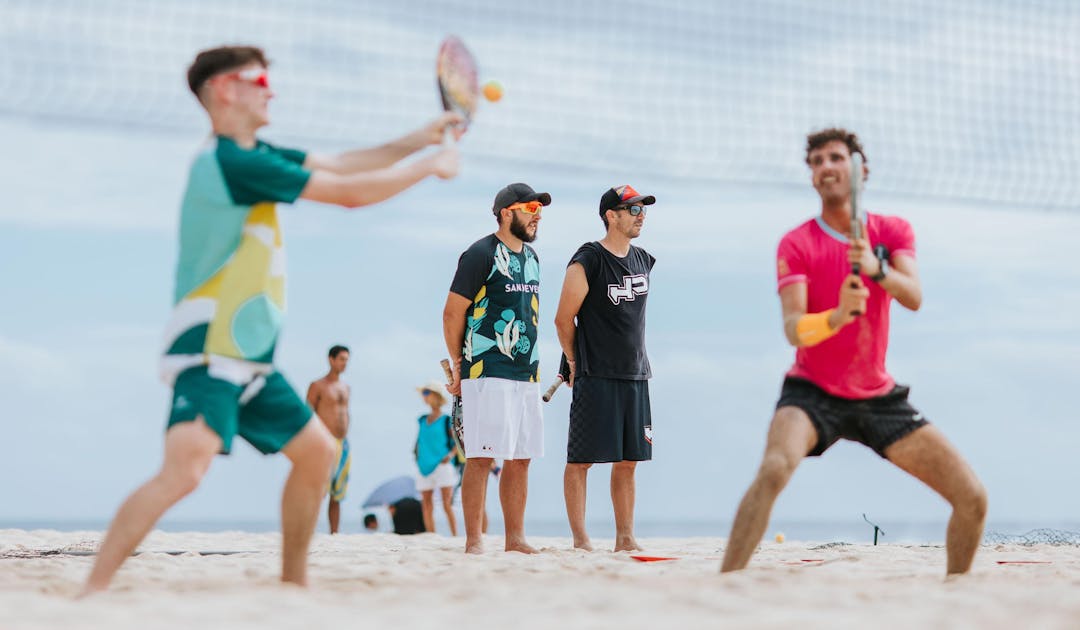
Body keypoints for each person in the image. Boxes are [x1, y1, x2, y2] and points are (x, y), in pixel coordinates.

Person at [80, 45, 460, 595]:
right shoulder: (234, 164)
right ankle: (90, 592)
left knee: (318, 453)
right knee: (183, 474)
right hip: (209, 352)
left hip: (249, 359)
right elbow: (350, 195)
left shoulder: (254, 154)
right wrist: (431, 167)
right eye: (258, 79)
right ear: (223, 90)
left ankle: (292, 586)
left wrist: (418, 140)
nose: (270, 90)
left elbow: (344, 164)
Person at [720, 128, 987, 575]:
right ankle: (725, 587)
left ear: (861, 170)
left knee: (973, 497)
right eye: (817, 161)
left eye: (836, 158)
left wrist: (876, 269)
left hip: (876, 395)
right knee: (773, 468)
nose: (826, 167)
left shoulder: (891, 231)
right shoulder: (797, 242)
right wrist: (838, 316)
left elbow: (914, 296)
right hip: (811, 392)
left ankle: (955, 595)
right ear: (811, 176)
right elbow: (793, 329)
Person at [442, 182, 548, 554]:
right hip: (486, 368)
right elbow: (453, 312)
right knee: (482, 456)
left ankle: (515, 538)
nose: (537, 214)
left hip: (526, 371)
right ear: (506, 212)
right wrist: (459, 365)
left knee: (521, 458)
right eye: (530, 207)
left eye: (540, 208)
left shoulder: (532, 258)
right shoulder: (479, 253)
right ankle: (473, 541)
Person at [554, 185, 657, 552]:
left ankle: (625, 538)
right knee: (581, 460)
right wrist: (573, 360)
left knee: (629, 461)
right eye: (631, 209)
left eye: (642, 208)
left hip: (636, 374)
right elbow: (564, 318)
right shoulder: (589, 258)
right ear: (610, 216)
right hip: (595, 374)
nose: (640, 214)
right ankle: (581, 540)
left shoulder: (644, 259)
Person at [307, 345, 352, 534]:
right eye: (341, 359)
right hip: (324, 441)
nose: (344, 363)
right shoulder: (318, 386)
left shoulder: (345, 387)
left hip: (344, 444)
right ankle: (308, 531)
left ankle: (335, 534)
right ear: (331, 360)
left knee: (338, 492)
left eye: (347, 360)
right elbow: (307, 414)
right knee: (320, 490)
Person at [414, 381, 460, 536]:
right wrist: (417, 456)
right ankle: (431, 535)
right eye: (424, 393)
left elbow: (458, 441)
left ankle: (455, 535)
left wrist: (450, 456)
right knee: (426, 503)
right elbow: (420, 441)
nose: (424, 396)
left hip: (442, 465)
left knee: (447, 503)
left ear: (436, 396)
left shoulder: (446, 420)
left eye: (427, 393)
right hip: (424, 465)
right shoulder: (421, 420)